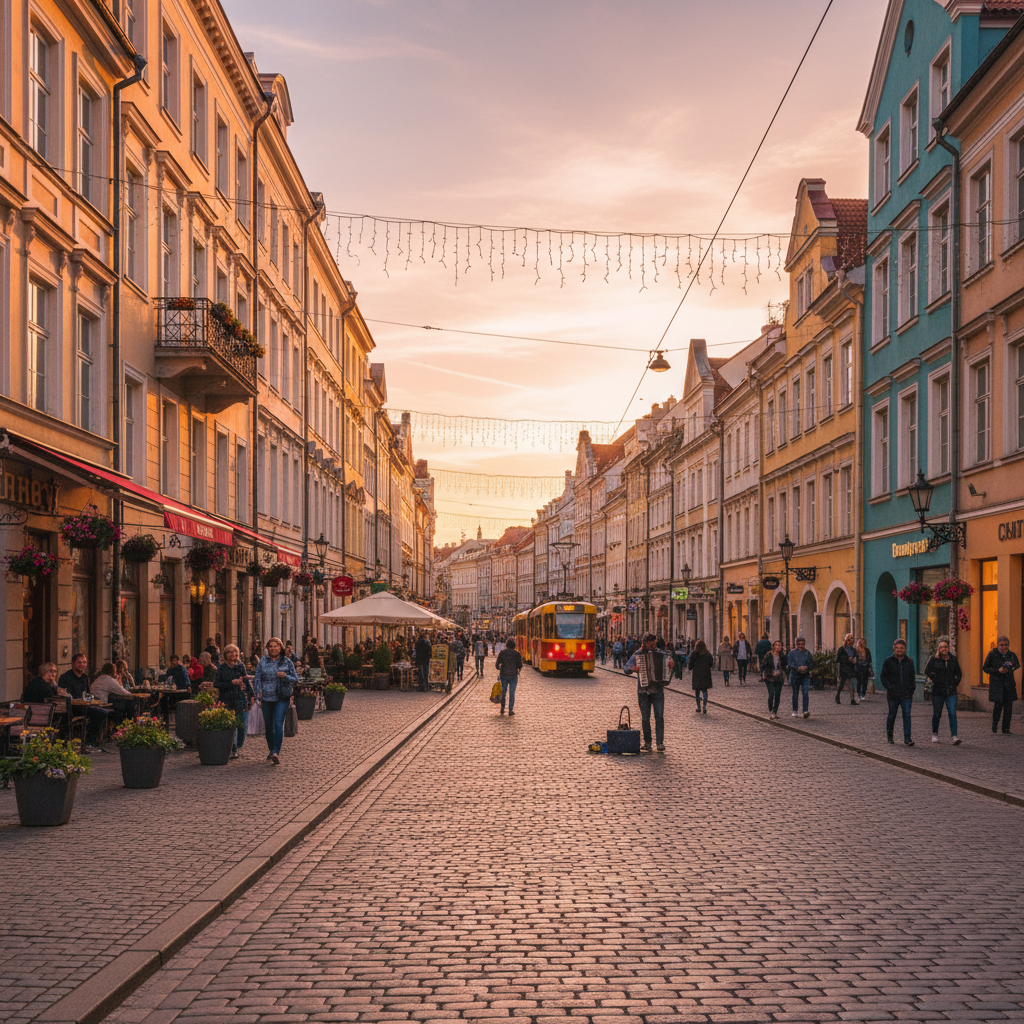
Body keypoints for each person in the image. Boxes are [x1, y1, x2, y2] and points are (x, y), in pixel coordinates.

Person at [624, 632, 674, 749]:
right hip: (643, 692)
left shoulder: (662, 654)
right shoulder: (638, 654)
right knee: (645, 718)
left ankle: (660, 743)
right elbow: (626, 668)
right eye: (650, 645)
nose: (653, 647)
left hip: (658, 690)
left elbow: (669, 663)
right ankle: (647, 742)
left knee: (659, 717)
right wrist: (633, 668)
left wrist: (671, 665)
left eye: (654, 644)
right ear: (644, 644)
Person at [254, 637, 298, 765]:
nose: (273, 648)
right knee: (268, 726)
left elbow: (295, 679)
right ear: (268, 648)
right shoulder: (263, 661)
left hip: (281, 697)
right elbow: (257, 679)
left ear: (280, 648)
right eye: (271, 646)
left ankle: (275, 752)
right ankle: (271, 748)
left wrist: (285, 676)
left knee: (278, 724)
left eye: (276, 646)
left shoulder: (286, 661)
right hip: (266, 697)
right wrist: (257, 694)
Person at [215, 644, 255, 758]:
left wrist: (251, 696)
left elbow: (246, 681)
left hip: (239, 697)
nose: (232, 654)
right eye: (229, 652)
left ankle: (238, 744)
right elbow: (217, 684)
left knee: (241, 724)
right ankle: (232, 749)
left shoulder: (240, 666)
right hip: (226, 698)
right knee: (231, 724)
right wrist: (232, 683)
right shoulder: (221, 668)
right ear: (225, 654)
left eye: (234, 652)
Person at [924, 640, 962, 745]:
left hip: (951, 691)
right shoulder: (934, 659)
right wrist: (936, 678)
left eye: (945, 646)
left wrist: (955, 683)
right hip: (938, 691)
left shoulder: (953, 659)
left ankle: (954, 736)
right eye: (941, 647)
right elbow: (927, 671)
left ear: (948, 648)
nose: (944, 649)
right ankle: (934, 734)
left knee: (952, 713)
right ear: (938, 649)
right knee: (937, 713)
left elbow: (959, 673)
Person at [880, 639, 916, 746]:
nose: (899, 650)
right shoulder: (888, 661)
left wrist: (910, 690)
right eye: (897, 648)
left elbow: (912, 677)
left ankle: (907, 738)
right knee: (892, 715)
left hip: (906, 694)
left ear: (905, 649)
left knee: (907, 715)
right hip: (893, 694)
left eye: (901, 648)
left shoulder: (909, 661)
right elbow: (883, 677)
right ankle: (890, 736)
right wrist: (890, 688)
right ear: (894, 648)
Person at [983, 635, 1020, 734]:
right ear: (998, 645)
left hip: (1009, 684)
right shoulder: (992, 654)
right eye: (1001, 645)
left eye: (1006, 645)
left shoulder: (1011, 655)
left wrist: (1011, 667)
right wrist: (997, 670)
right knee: (998, 706)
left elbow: (1017, 665)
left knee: (1008, 707)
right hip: (997, 684)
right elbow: (985, 668)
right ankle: (995, 725)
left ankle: (1006, 728)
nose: (1004, 647)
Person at [495, 638, 524, 716]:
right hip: (513, 676)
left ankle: (502, 708)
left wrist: (500, 668)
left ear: (506, 645)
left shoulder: (502, 653)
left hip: (504, 675)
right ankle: (510, 710)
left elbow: (497, 665)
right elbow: (520, 665)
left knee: (503, 692)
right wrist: (517, 669)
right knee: (512, 693)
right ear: (514, 646)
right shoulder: (517, 654)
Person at [787, 636, 812, 719]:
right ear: (796, 644)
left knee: (805, 692)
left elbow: (811, 663)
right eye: (799, 644)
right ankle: (795, 710)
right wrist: (797, 668)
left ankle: (805, 710)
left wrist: (806, 667)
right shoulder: (792, 653)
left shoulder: (807, 653)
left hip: (805, 675)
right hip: (795, 675)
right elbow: (790, 663)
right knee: (795, 692)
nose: (801, 646)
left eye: (802, 644)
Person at [762, 640, 787, 720]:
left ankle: (774, 711)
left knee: (777, 694)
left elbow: (784, 665)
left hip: (779, 677)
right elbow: (764, 666)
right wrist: (770, 674)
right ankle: (771, 709)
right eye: (776, 645)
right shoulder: (769, 655)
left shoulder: (782, 656)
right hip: (769, 677)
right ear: (773, 646)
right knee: (771, 693)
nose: (778, 647)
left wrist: (782, 672)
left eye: (779, 645)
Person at [688, 639, 713, 715]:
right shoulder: (707, 653)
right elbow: (711, 662)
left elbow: (690, 663)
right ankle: (704, 706)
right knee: (704, 690)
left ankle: (699, 707)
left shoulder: (694, 653)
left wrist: (691, 667)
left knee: (697, 691)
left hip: (697, 674)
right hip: (705, 674)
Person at [836, 633, 859, 705]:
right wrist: (847, 659)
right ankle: (838, 695)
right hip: (844, 668)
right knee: (842, 683)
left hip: (851, 668)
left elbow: (856, 657)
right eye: (849, 640)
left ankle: (852, 699)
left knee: (852, 683)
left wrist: (855, 660)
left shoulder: (853, 650)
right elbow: (838, 659)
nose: (850, 642)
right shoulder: (841, 649)